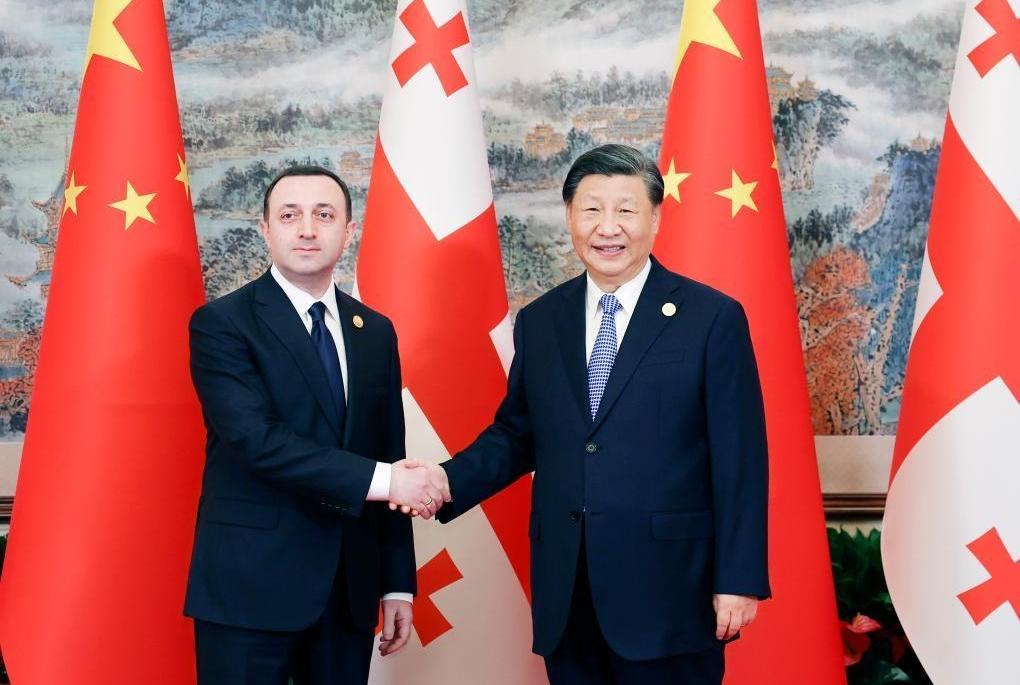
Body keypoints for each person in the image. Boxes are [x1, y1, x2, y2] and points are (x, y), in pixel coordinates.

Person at [411, 145, 770, 684]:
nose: (608, 228)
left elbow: (740, 459)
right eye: (592, 209)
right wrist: (444, 481)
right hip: (568, 593)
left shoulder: (711, 317)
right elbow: (518, 434)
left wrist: (738, 579)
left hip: (671, 591)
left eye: (626, 210)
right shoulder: (541, 320)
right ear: (570, 217)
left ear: (655, 218)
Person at [184, 165, 449, 685]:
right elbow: (257, 442)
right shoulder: (222, 324)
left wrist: (396, 582)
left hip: (347, 590)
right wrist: (389, 481)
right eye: (290, 216)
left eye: (324, 215)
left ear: (348, 231)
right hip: (249, 589)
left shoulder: (374, 332)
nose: (307, 229)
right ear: (266, 229)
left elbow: (388, 452)